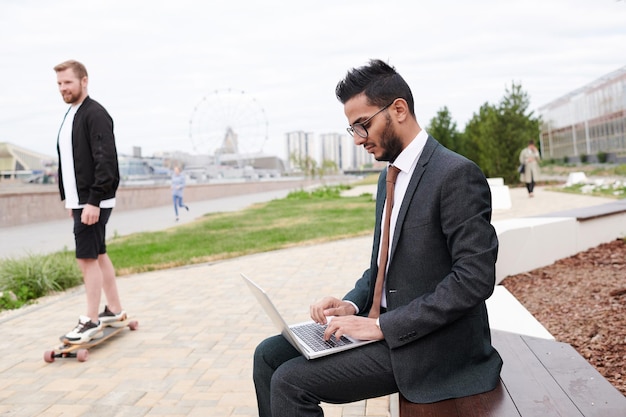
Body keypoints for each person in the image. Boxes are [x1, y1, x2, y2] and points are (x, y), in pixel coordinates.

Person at [252, 59, 502, 416]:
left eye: (363, 125)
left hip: (434, 347)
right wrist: (351, 305)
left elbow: (474, 281)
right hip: (382, 328)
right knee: (267, 355)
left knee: (290, 382)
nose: (357, 139)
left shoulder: (456, 175)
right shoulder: (390, 179)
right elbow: (381, 267)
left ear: (398, 109)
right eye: (351, 129)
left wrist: (382, 326)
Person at [54, 59, 127, 343]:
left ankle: (91, 320)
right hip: (82, 201)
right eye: (59, 84)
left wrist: (93, 201)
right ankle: (114, 309)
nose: (63, 88)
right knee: (97, 254)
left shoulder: (94, 113)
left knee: (86, 259)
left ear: (84, 81)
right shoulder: (73, 113)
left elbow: (105, 160)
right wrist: (71, 200)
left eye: (68, 82)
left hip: (92, 201)